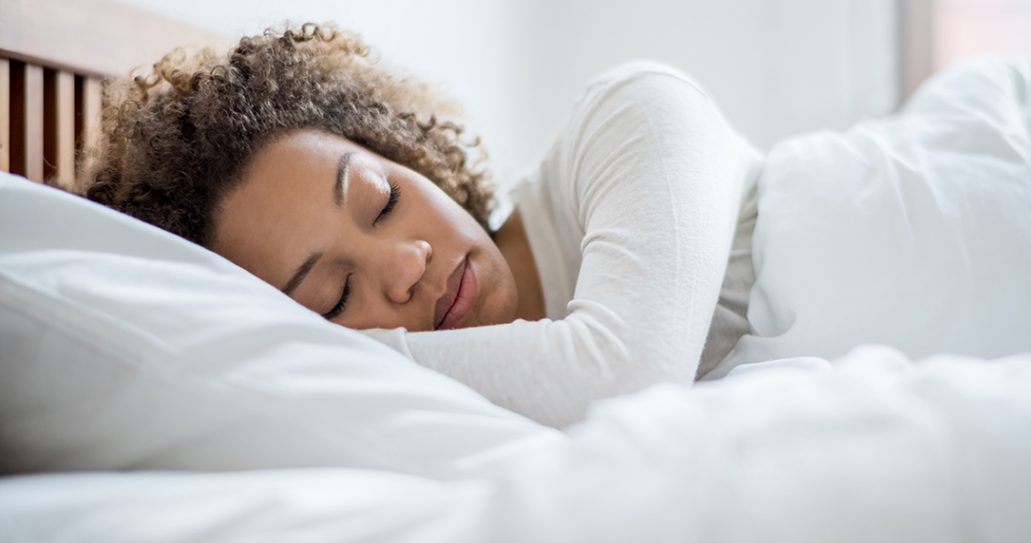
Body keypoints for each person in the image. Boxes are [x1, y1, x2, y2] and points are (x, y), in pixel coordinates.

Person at [80, 23, 762, 428]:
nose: (406, 264)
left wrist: (320, 355)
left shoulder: (632, 113)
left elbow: (622, 378)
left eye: (382, 201)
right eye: (335, 298)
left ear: (407, 154)